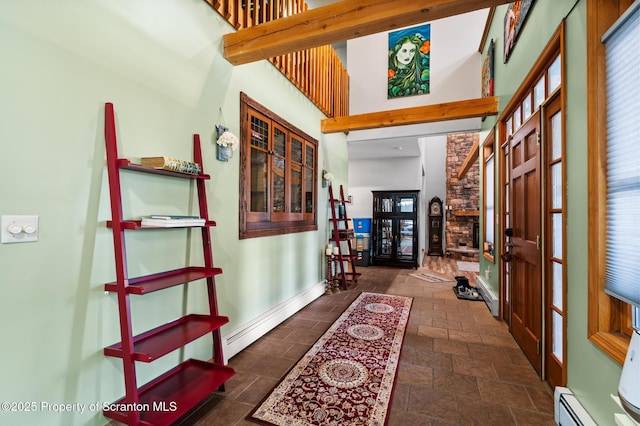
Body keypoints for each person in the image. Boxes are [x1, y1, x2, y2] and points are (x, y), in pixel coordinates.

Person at [388, 33, 430, 98]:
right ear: (396, 51)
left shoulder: (421, 71)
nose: (408, 55)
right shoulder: (390, 74)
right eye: (404, 51)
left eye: (412, 51)